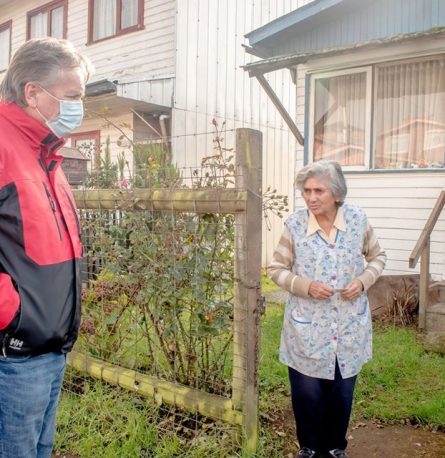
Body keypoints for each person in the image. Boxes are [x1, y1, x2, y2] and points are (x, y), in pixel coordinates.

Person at [0, 38, 93, 457]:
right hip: (14, 355)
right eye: (72, 96)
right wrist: (12, 316)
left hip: (51, 348)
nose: (79, 107)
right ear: (32, 92)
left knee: (41, 449)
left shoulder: (46, 155)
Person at [267, 160, 386, 458]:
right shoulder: (295, 225)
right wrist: (303, 285)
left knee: (341, 392)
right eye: (306, 191)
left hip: (348, 326)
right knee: (307, 393)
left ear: (336, 193)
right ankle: (309, 446)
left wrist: (362, 281)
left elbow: (378, 258)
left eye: (318, 190)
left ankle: (335, 447)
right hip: (307, 326)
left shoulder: (358, 221)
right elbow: (276, 268)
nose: (311, 197)